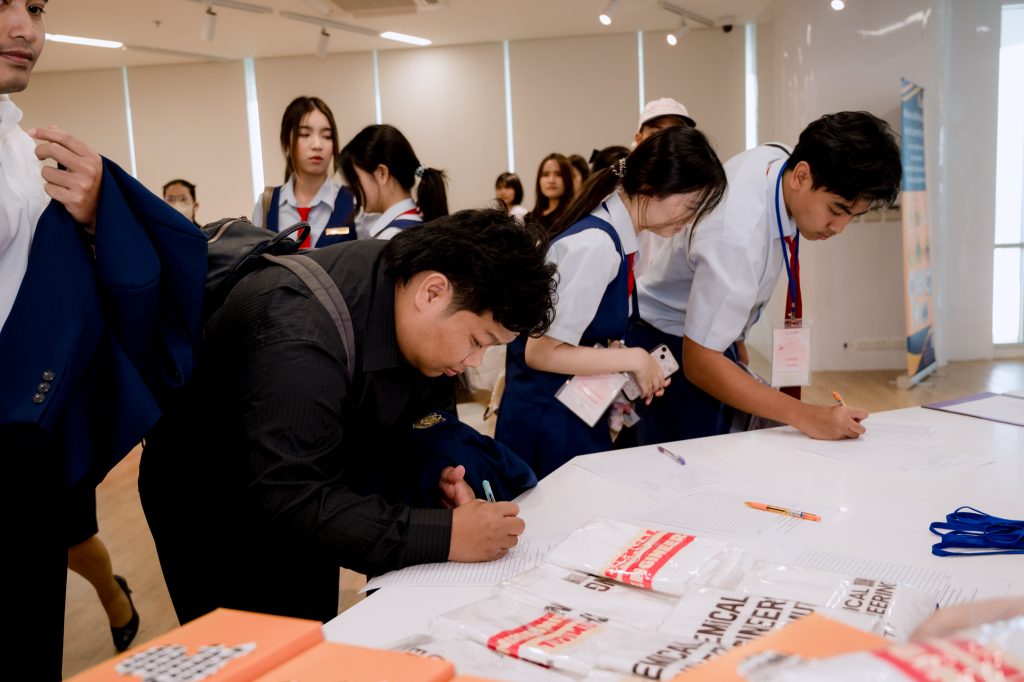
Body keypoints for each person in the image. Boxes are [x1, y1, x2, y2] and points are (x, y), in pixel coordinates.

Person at [139, 210, 557, 625]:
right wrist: (447, 536)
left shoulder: (406, 301)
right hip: (216, 509)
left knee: (314, 629)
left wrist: (437, 478)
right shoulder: (299, 332)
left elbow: (412, 421)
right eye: (477, 341)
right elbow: (291, 501)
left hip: (306, 491)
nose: (474, 360)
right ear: (432, 292)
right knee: (263, 645)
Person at [0, 3, 206, 678]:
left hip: (21, 444)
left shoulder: (33, 162)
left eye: (36, 7)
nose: (26, 29)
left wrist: (95, 220)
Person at [632, 111, 902, 444]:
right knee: (693, 460)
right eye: (836, 210)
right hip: (668, 346)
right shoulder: (737, 237)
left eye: (853, 216)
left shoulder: (779, 160)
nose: (839, 228)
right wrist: (807, 416)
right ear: (801, 176)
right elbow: (700, 363)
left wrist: (737, 341)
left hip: (705, 338)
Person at [495, 127, 726, 479]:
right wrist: (634, 358)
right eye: (692, 206)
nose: (690, 220)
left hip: (569, 413)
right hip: (548, 422)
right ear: (653, 186)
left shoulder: (617, 237)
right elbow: (540, 353)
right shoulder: (596, 245)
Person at [252, 96, 356, 248]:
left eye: (327, 136)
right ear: (286, 143)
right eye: (305, 134)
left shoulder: (354, 202)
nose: (317, 145)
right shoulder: (266, 205)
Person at [339, 123, 448, 239]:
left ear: (382, 173)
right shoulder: (420, 220)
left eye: (355, 179)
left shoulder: (391, 237)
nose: (353, 188)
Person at [530, 152, 573, 237]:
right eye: (545, 174)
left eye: (558, 174)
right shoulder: (530, 218)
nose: (551, 180)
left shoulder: (572, 217)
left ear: (567, 179)